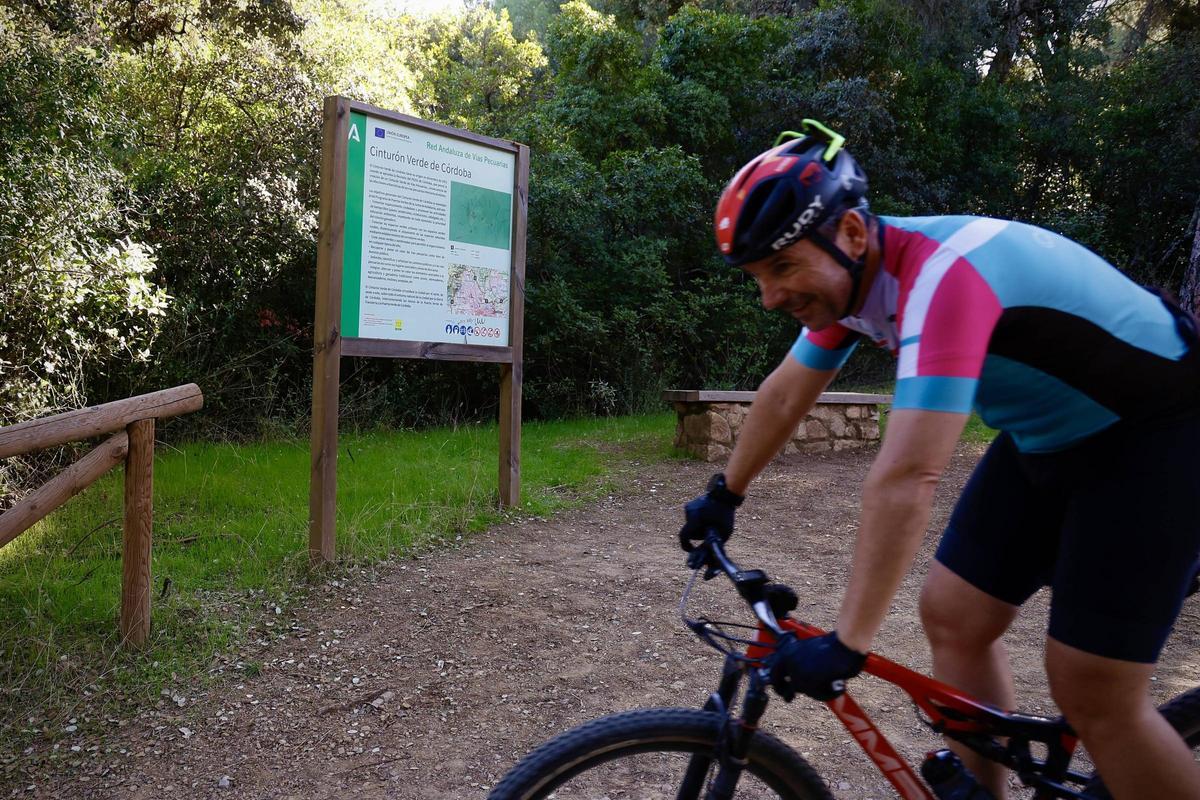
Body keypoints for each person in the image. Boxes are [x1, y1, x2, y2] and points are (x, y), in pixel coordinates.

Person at [680, 119, 1200, 799]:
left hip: (1158, 434)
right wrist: (726, 493)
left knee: (1094, 690)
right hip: (1047, 439)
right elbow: (783, 397)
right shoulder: (851, 284)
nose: (771, 296)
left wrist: (848, 641)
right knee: (953, 615)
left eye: (781, 267)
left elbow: (907, 477)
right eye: (757, 277)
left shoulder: (943, 275)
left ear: (853, 234)